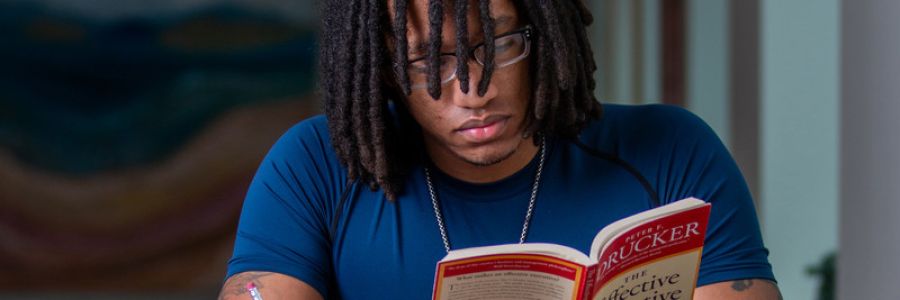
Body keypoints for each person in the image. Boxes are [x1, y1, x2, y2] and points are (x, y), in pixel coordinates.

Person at [219, 0, 782, 299]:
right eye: (427, 62)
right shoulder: (315, 166)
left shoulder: (671, 151)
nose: (473, 92)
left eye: (499, 44)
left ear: (544, 28)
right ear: (386, 69)